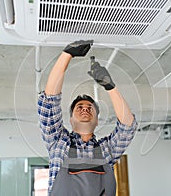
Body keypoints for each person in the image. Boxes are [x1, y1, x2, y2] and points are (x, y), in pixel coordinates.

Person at [38, 40, 137, 196]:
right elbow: (49, 102)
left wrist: (110, 87)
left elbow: (128, 125)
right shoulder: (57, 142)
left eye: (90, 108)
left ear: (97, 120)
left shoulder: (107, 150)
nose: (85, 109)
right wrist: (67, 54)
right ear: (70, 120)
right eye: (79, 108)